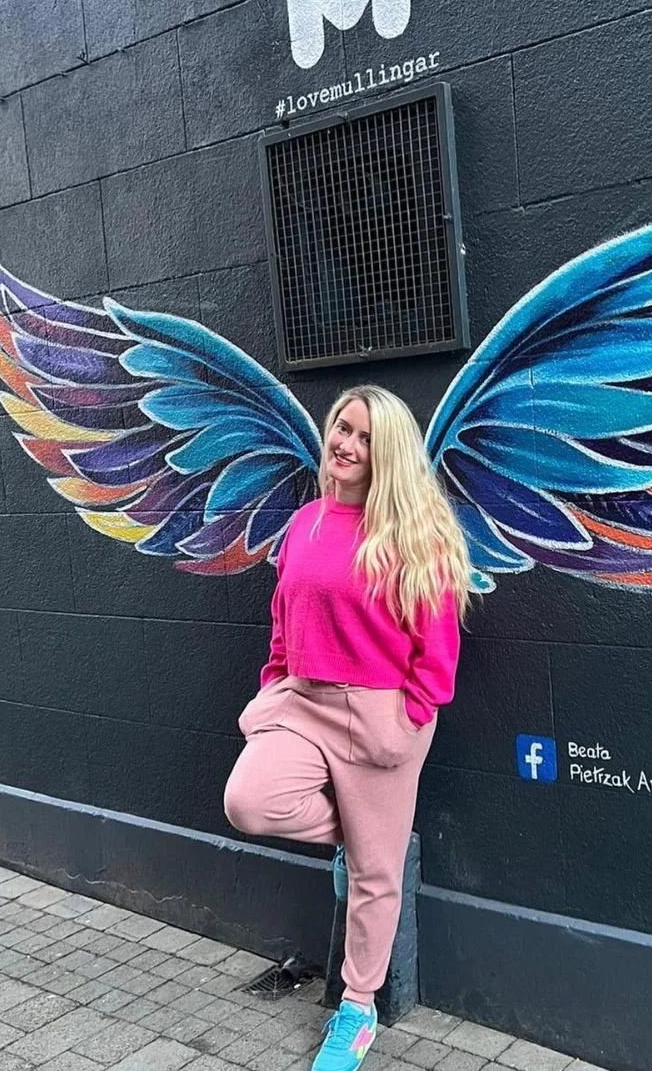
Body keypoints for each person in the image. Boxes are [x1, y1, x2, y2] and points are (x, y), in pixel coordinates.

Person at [223, 385, 471, 1071]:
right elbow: (284, 615)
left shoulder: (412, 533)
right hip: (303, 700)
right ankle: (361, 840)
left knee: (375, 878)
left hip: (378, 714)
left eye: (364, 437)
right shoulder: (304, 522)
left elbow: (438, 642)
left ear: (384, 452)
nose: (346, 444)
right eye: (341, 427)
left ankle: (357, 1010)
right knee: (248, 801)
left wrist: (412, 713)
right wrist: (276, 679)